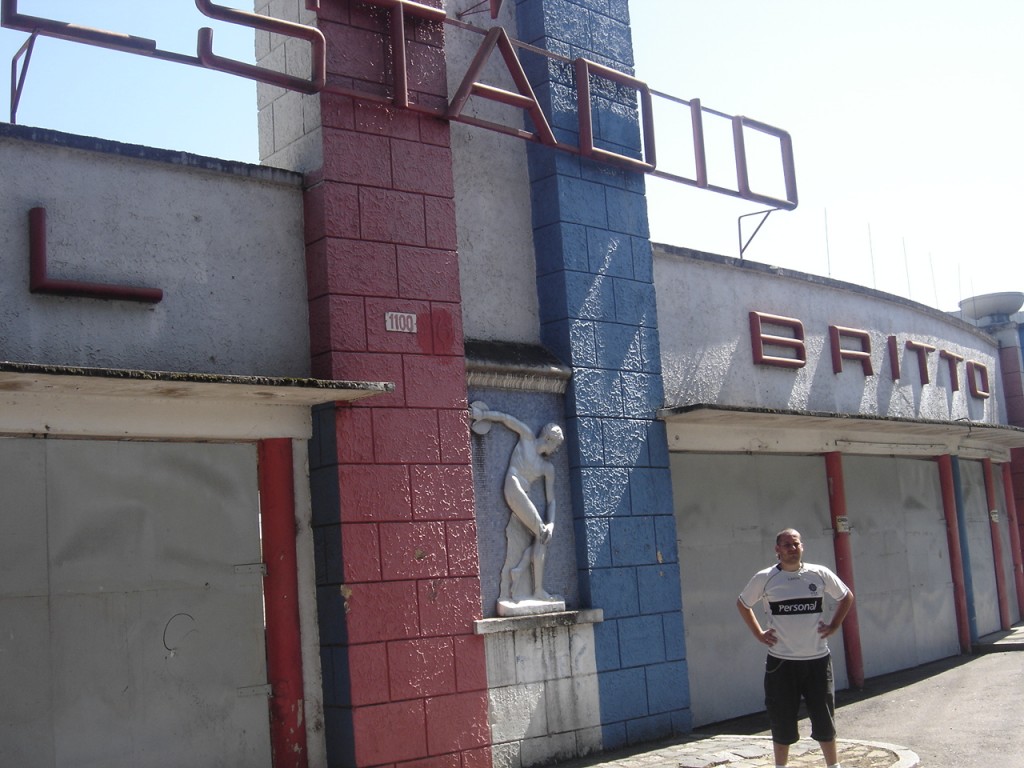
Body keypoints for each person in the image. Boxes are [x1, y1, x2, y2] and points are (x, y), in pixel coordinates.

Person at [736, 528, 855, 768]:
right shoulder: (765, 577)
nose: (793, 549)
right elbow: (742, 603)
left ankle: (833, 765)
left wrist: (833, 625)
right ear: (777, 550)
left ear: (803, 547)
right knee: (782, 719)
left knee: (824, 718)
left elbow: (846, 597)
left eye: (796, 544)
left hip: (817, 660)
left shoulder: (819, 574)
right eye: (787, 545)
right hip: (781, 662)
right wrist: (759, 633)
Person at [469, 402, 564, 604]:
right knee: (540, 530)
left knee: (543, 536)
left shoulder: (547, 468)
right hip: (512, 485)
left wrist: (552, 524)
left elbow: (551, 500)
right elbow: (505, 418)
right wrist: (483, 414)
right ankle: (528, 580)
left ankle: (528, 580)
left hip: (523, 495)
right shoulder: (527, 437)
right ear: (549, 439)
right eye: (557, 445)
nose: (557, 450)